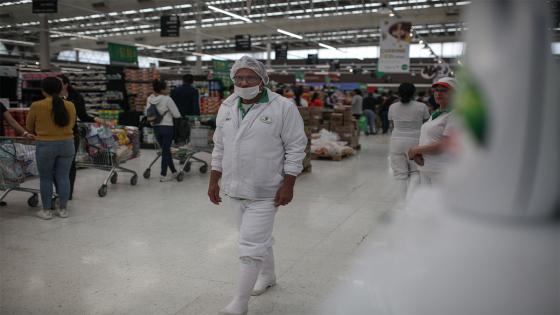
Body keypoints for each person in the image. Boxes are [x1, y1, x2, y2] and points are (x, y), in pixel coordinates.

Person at [209, 56, 307, 315]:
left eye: (250, 77)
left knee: (250, 246)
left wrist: (289, 184)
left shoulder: (283, 107)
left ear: (262, 80)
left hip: (267, 189)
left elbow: (296, 147)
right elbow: (219, 145)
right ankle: (269, 276)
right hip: (235, 187)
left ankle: (239, 303)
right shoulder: (227, 106)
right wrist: (214, 179)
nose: (244, 82)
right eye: (239, 78)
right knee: (254, 238)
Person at [26, 77, 76, 220]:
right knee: (63, 177)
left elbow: (29, 127)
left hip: (46, 145)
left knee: (46, 178)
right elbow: (71, 125)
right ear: (61, 89)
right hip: (67, 144)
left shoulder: (37, 105)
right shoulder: (70, 105)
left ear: (43, 90)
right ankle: (63, 210)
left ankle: (47, 211)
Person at [408, 77, 458, 185]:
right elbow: (429, 138)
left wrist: (415, 150)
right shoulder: (436, 113)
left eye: (444, 91)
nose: (438, 93)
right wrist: (418, 152)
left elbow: (444, 145)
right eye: (436, 90)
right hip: (427, 169)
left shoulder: (455, 115)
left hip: (442, 172)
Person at [56, 74, 97, 200]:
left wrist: (96, 119)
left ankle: (68, 193)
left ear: (66, 84)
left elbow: (83, 115)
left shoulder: (76, 97)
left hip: (71, 134)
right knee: (55, 166)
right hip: (53, 135)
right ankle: (59, 191)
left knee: (70, 164)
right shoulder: (50, 97)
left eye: (59, 82)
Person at [388, 83, 430, 201]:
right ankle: (409, 203)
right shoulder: (422, 106)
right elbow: (427, 125)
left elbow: (392, 124)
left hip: (396, 142)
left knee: (400, 175)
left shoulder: (393, 107)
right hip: (416, 142)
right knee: (416, 172)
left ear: (399, 93)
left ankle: (401, 204)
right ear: (414, 93)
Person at [145, 79, 182, 182]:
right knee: (166, 151)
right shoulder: (167, 99)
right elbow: (177, 114)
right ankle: (163, 174)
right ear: (162, 89)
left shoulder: (149, 99)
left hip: (156, 127)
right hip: (167, 127)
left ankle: (174, 171)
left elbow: (146, 113)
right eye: (167, 88)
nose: (168, 89)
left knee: (165, 151)